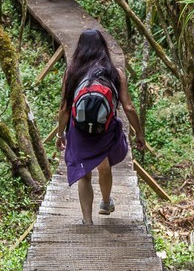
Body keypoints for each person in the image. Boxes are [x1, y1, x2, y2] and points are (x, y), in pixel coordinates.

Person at [57, 27, 146, 225]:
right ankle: (106, 202)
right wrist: (139, 133)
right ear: (103, 48)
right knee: (104, 167)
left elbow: (64, 108)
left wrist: (60, 134)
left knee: (84, 175)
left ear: (80, 49)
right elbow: (129, 107)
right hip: (104, 130)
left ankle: (87, 221)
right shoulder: (115, 73)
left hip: (79, 131)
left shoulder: (72, 73)